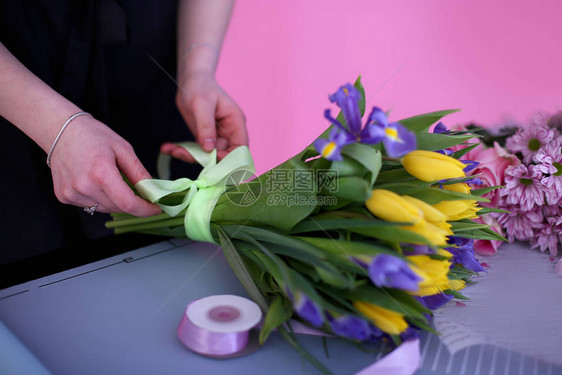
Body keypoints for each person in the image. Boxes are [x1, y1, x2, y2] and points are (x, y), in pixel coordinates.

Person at [0, 0, 248, 268]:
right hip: (17, 92)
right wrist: (56, 126)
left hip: (151, 75)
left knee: (166, 264)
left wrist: (197, 69)